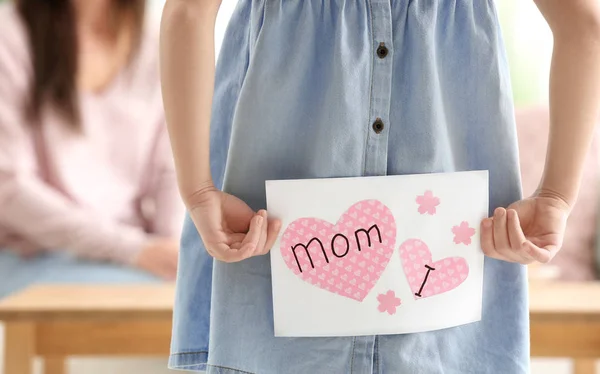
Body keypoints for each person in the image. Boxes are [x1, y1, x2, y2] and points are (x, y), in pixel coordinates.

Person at [161, 0, 600, 373]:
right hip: (448, 230)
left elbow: (188, 12)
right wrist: (556, 196)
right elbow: (585, 24)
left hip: (268, 209)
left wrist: (198, 190)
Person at [0, 0, 183, 292]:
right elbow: (8, 188)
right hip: (35, 254)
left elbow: (172, 168)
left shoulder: (156, 38)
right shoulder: (11, 36)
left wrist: (173, 252)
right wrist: (133, 249)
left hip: (137, 254)